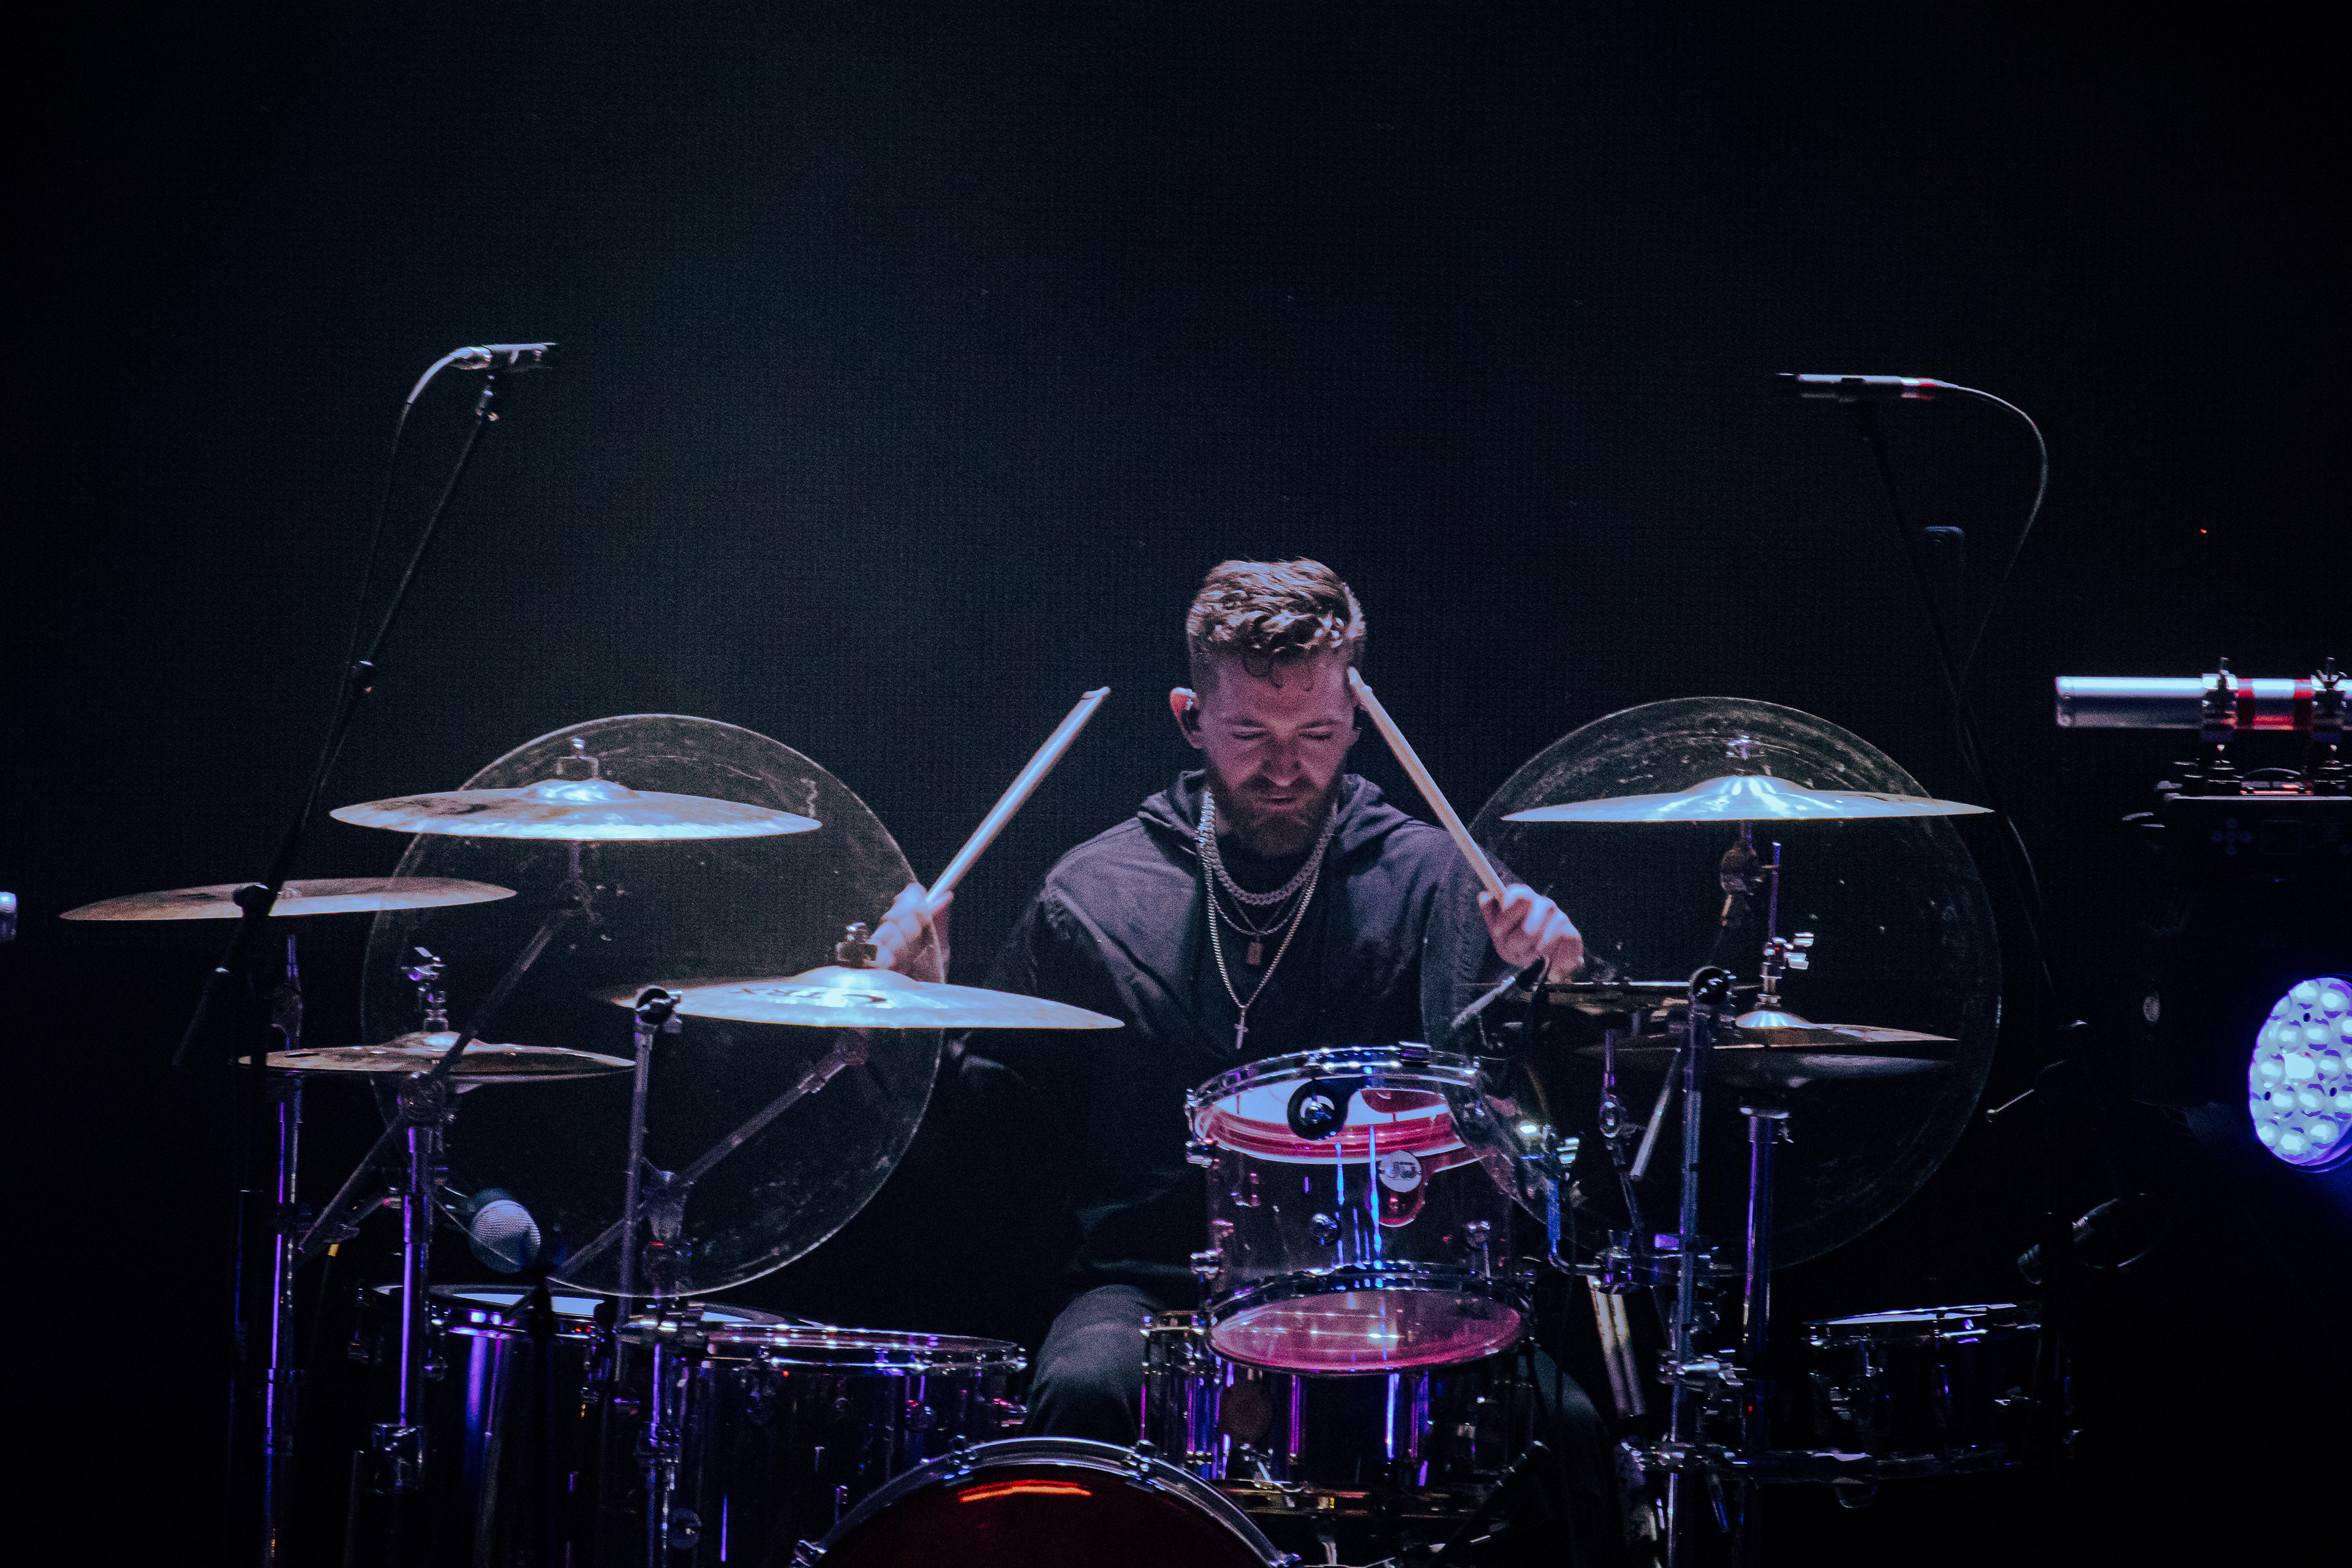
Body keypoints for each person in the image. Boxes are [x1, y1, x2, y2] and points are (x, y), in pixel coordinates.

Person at [872, 560, 1613, 1551]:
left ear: (1359, 716)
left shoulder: (1441, 879)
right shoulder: (1096, 894)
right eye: (1250, 734)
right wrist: (915, 1017)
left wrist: (1559, 988)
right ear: (1190, 718)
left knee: (1568, 1430)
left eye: (1317, 734)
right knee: (1085, 1392)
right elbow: (1001, 1144)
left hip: (1395, 1288)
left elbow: (1538, 1136)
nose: (1285, 767)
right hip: (1158, 1286)